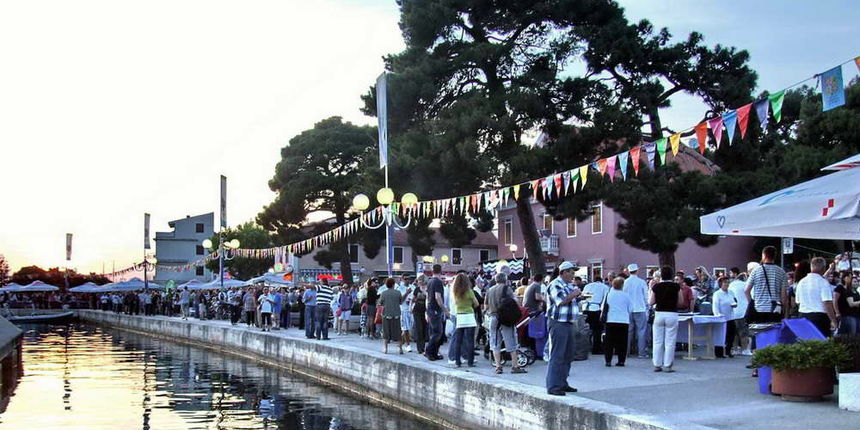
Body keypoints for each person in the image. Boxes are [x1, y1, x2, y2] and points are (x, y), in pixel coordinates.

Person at [545, 261, 581, 395]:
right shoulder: (555, 284)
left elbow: (570, 301)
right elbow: (561, 301)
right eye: (571, 272)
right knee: (557, 354)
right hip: (558, 323)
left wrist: (578, 297)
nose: (573, 275)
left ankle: (562, 382)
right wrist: (575, 294)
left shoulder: (568, 285)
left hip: (569, 322)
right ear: (563, 272)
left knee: (568, 355)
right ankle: (553, 386)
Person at [485, 272, 525, 375]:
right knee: (510, 341)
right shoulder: (506, 289)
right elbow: (515, 301)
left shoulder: (489, 290)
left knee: (495, 343)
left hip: (493, 317)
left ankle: (498, 366)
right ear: (505, 279)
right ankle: (515, 366)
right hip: (505, 318)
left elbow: (485, 306)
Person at [650, 266, 684, 373]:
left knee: (657, 340)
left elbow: (651, 302)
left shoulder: (656, 286)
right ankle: (668, 365)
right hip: (672, 314)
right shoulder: (676, 286)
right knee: (670, 341)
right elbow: (681, 302)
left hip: (659, 313)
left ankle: (657, 364)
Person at [795, 257, 838, 337]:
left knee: (805, 342)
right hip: (819, 317)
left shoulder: (801, 282)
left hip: (803, 315)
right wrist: (833, 320)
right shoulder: (823, 282)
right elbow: (827, 303)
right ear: (823, 268)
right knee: (821, 342)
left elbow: (798, 301)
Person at [744, 246, 788, 324]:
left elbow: (746, 291)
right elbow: (783, 296)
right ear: (775, 256)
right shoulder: (781, 272)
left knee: (760, 333)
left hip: (759, 309)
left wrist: (752, 303)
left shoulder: (756, 271)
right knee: (774, 333)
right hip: (775, 310)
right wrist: (783, 309)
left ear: (763, 255)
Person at [449, 273, 478, 367]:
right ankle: (470, 361)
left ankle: (458, 361)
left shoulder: (455, 291)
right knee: (470, 340)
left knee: (458, 340)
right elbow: (476, 303)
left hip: (460, 316)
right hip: (469, 315)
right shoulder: (469, 291)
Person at [603, 276, 632, 367]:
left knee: (609, 341)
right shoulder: (626, 295)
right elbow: (630, 309)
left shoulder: (609, 294)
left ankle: (608, 360)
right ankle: (621, 360)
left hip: (611, 319)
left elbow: (603, 307)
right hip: (623, 320)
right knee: (622, 342)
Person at [623, 263, 649, 358]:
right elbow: (646, 296)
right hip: (640, 308)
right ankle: (641, 353)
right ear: (637, 270)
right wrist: (647, 306)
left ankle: (626, 352)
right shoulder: (641, 282)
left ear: (629, 271)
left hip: (628, 309)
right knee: (641, 331)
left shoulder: (625, 282)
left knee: (628, 331)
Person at [424, 265, 447, 361]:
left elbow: (427, 296)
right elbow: (438, 297)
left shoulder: (429, 281)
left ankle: (434, 353)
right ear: (440, 271)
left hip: (430, 308)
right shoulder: (438, 282)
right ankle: (429, 351)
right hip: (436, 310)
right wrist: (444, 309)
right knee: (438, 332)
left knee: (433, 332)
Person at [582, 275, 610, 354]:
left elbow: (584, 296)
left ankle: (585, 346)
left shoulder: (587, 286)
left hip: (586, 308)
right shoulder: (605, 287)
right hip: (596, 309)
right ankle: (596, 348)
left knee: (586, 329)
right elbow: (605, 300)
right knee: (597, 331)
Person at [728, 268, 752, 356]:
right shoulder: (745, 285)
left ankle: (735, 349)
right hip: (743, 310)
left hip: (733, 311)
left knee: (735, 332)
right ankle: (745, 349)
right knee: (744, 332)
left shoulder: (731, 285)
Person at [712, 277, 738, 358]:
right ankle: (719, 353)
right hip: (721, 317)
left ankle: (728, 351)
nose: (727, 284)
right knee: (721, 335)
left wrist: (735, 304)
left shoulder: (731, 292)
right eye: (725, 282)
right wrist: (717, 315)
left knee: (731, 335)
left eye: (727, 282)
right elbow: (715, 306)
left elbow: (734, 301)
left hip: (730, 316)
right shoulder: (717, 294)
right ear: (721, 284)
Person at [378, 278, 403, 354]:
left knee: (386, 332)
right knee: (398, 332)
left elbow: (380, 303)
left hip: (386, 314)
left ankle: (385, 348)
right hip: (396, 314)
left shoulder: (383, 293)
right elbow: (400, 302)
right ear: (393, 284)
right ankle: (400, 349)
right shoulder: (398, 292)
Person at [411, 274, 429, 355]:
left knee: (424, 328)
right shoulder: (416, 289)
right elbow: (413, 299)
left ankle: (423, 346)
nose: (419, 282)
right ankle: (420, 348)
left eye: (420, 281)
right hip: (417, 310)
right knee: (419, 328)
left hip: (425, 311)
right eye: (418, 281)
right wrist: (410, 307)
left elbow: (429, 297)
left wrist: (424, 292)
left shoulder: (428, 289)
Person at [398, 276, 414, 352]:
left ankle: (400, 343)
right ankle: (408, 345)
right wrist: (407, 293)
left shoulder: (412, 287)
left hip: (411, 310)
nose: (407, 280)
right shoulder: (400, 288)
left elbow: (415, 297)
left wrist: (412, 300)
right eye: (405, 279)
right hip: (403, 310)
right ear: (402, 280)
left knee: (408, 328)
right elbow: (400, 301)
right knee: (405, 328)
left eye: (408, 279)